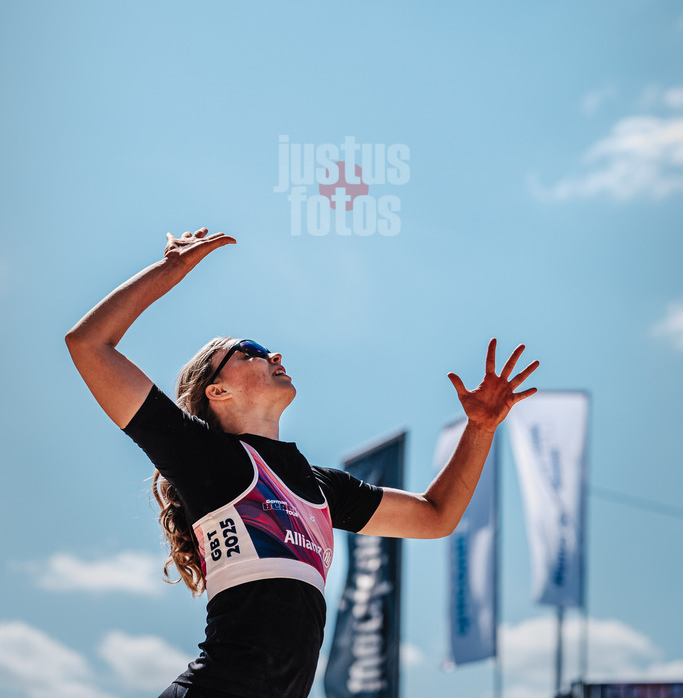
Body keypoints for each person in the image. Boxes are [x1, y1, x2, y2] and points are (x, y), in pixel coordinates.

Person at [65, 227, 539, 698]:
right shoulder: (204, 458)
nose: (273, 354)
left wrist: (480, 430)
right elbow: (88, 344)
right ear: (217, 391)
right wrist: (172, 269)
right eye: (248, 351)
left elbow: (437, 516)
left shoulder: (320, 487)